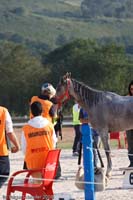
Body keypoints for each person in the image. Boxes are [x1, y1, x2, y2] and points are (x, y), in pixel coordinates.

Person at [21, 101, 57, 183]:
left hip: (33, 163)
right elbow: (54, 143)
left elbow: (24, 148)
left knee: (37, 183)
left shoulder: (26, 128)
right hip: (48, 162)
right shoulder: (49, 126)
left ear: (31, 112)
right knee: (45, 184)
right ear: (42, 111)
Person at [0, 106, 20, 188]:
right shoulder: (3, 111)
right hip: (1, 151)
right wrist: (17, 145)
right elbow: (10, 132)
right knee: (3, 175)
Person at [126, 80, 133, 167]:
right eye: (131, 89)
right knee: (130, 146)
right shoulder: (126, 99)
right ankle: (131, 163)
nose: (132, 91)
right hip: (128, 125)